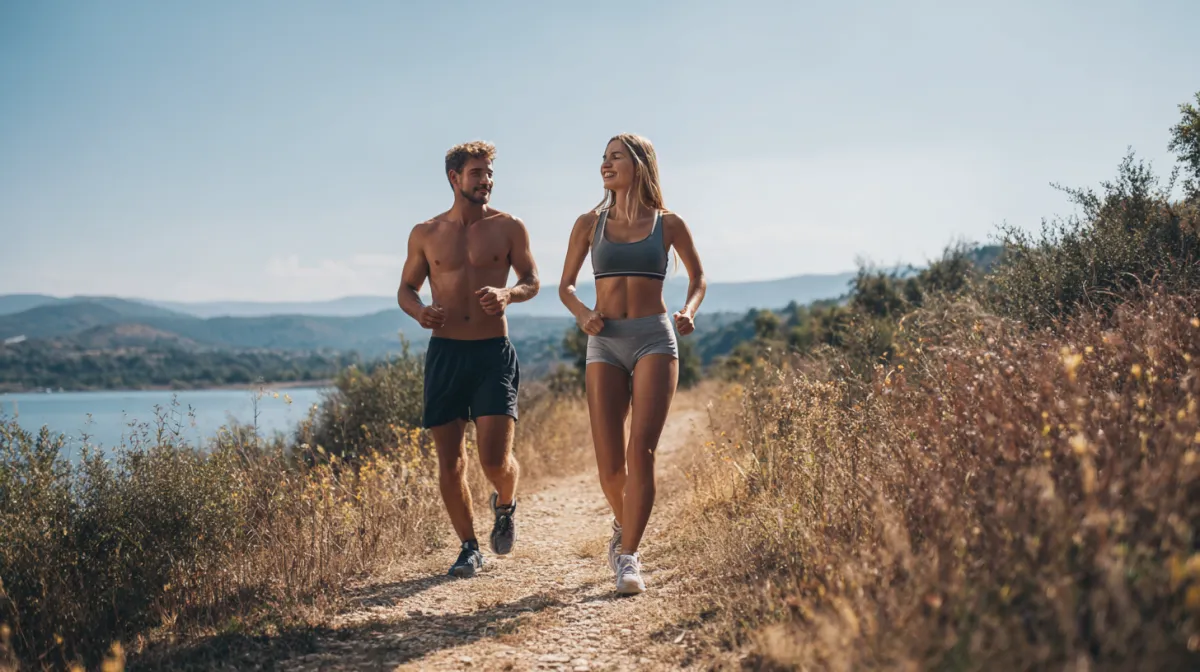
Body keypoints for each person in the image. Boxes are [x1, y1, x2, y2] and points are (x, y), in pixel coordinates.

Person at [558, 133, 706, 594]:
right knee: (609, 467)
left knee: (640, 450)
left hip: (653, 339)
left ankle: (629, 557)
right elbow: (565, 286)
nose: (605, 164)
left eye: (615, 157)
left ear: (639, 165)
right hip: (605, 343)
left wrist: (688, 312)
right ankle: (626, 526)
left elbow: (698, 277)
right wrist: (584, 315)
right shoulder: (588, 223)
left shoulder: (669, 223)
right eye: (603, 157)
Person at [397, 140, 540, 578]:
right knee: (451, 461)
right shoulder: (426, 232)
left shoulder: (509, 227)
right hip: (445, 353)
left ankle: (506, 500)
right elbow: (406, 289)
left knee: (495, 461)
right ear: (454, 178)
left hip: (492, 353)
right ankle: (468, 547)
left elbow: (532, 280)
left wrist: (508, 293)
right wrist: (420, 311)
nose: (487, 181)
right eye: (477, 173)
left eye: (490, 173)